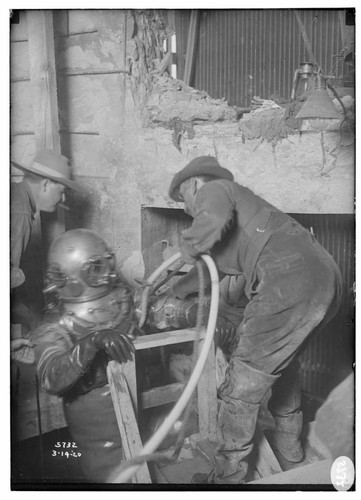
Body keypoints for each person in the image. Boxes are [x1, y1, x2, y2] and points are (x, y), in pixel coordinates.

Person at [166, 155, 343, 484]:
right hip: (324, 276)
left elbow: (211, 218)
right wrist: (177, 289)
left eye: (183, 199)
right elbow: (209, 270)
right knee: (280, 364)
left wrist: (189, 246)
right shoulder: (243, 210)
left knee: (242, 383)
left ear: (192, 184)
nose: (187, 208)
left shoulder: (215, 189)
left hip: (290, 275)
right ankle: (290, 449)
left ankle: (226, 478)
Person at [32, 229, 140, 483]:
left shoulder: (123, 301)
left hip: (141, 405)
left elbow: (161, 309)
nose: (104, 274)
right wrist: (90, 343)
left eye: (102, 266)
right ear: (68, 276)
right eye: (95, 269)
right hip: (100, 432)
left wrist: (193, 312)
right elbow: (51, 375)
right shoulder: (55, 326)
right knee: (114, 477)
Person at [10, 149, 80, 363]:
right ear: (46, 184)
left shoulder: (13, 193)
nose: (63, 198)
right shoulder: (19, 214)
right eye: (62, 190)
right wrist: (33, 320)